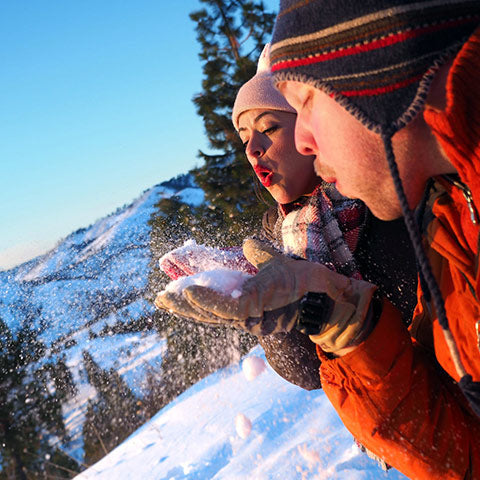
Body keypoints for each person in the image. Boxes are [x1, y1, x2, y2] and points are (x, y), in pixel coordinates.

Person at [157, 2, 480, 478]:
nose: (303, 139)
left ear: (376, 79)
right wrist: (332, 315)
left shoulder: (404, 207)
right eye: (244, 136)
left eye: (298, 106)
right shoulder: (450, 215)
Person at [157, 41, 416, 442]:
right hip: (404, 422)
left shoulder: (382, 194)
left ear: (314, 123)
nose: (251, 147)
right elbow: (308, 372)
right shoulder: (280, 233)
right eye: (244, 136)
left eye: (268, 127)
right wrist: (258, 300)